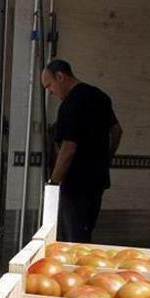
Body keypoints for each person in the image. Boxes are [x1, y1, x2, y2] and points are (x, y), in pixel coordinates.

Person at [41, 59, 123, 243]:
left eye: (49, 86)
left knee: (73, 240)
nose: (51, 92)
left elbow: (68, 148)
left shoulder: (70, 104)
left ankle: (75, 271)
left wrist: (54, 181)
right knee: (85, 233)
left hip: (76, 184)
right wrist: (106, 159)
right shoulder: (100, 97)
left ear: (60, 76)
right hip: (97, 181)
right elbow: (117, 131)